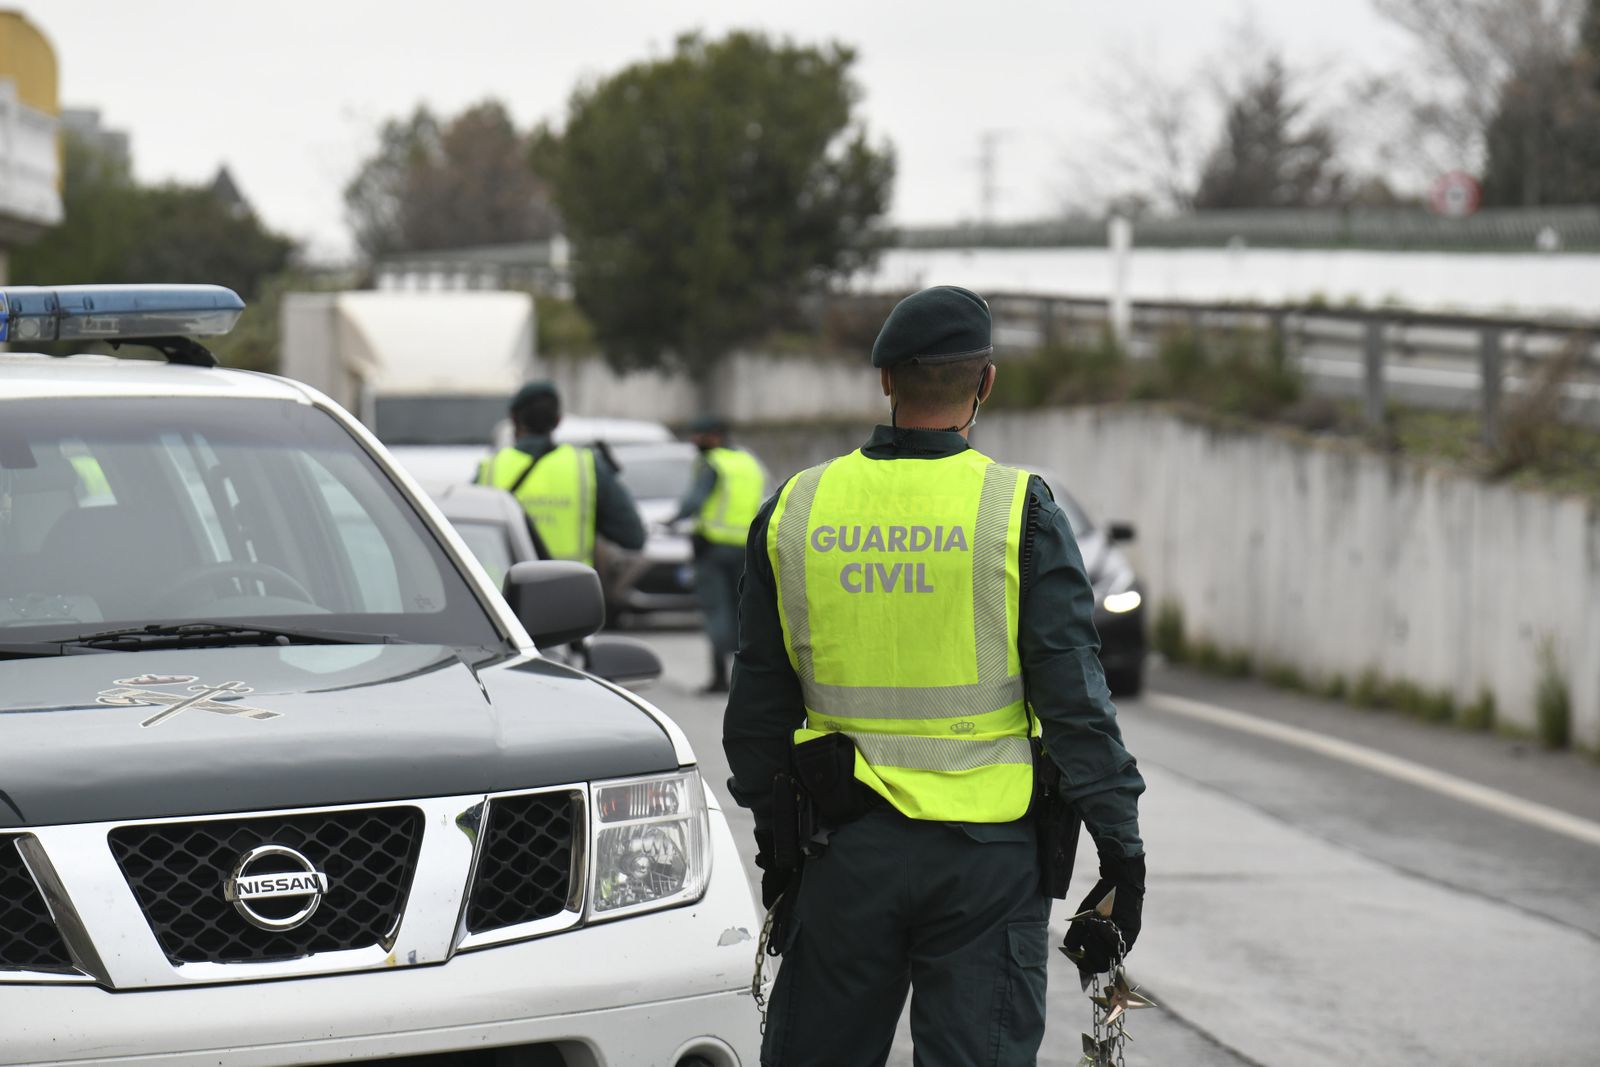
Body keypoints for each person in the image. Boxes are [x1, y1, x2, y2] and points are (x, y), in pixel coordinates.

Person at [722, 286, 1146, 1067]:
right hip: (987, 865)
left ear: (885, 380)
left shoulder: (795, 508)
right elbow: (1076, 703)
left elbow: (755, 714)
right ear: (985, 383)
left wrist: (778, 854)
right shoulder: (1020, 513)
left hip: (842, 855)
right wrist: (1121, 849)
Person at [476, 380, 645, 565]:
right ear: (558, 420)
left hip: (500, 591)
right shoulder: (587, 467)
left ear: (514, 419)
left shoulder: (489, 470)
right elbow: (634, 537)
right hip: (569, 591)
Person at [672, 415, 767, 694]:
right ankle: (745, 677)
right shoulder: (749, 462)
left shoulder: (713, 463)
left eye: (699, 436)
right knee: (744, 613)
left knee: (716, 610)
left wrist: (674, 518)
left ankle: (719, 677)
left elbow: (695, 500)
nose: (694, 442)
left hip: (713, 549)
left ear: (715, 436)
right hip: (746, 548)